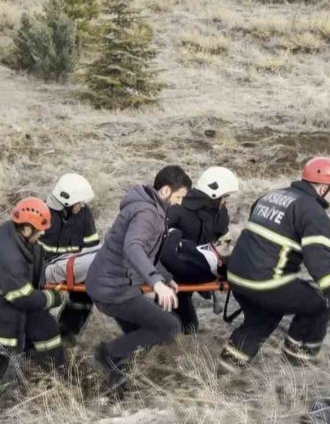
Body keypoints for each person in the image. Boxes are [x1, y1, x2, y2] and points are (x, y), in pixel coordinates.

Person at [218, 157, 330, 376]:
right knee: (321, 305)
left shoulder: (271, 196)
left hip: (238, 276)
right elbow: (321, 263)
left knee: (261, 320)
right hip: (266, 281)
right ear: (324, 187)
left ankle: (224, 373)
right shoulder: (313, 213)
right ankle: (299, 361)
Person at [86, 165, 192, 393]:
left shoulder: (149, 207)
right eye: (179, 197)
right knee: (170, 325)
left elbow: (147, 250)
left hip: (110, 284)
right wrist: (156, 283)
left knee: (144, 332)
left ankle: (116, 377)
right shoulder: (147, 213)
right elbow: (133, 247)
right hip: (113, 289)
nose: (180, 204)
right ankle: (108, 354)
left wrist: (166, 277)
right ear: (165, 191)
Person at [0, 198, 66, 407]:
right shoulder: (10, 257)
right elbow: (22, 296)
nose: (43, 233)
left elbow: (34, 260)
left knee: (46, 328)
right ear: (26, 229)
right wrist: (53, 298)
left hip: (2, 307)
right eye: (40, 229)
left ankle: (53, 370)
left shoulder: (10, 231)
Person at [161, 166, 239, 334]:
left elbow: (222, 246)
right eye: (225, 196)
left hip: (191, 275)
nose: (227, 201)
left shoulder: (221, 214)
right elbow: (154, 244)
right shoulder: (177, 208)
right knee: (183, 327)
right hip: (168, 279)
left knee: (188, 328)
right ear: (213, 194)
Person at [40, 173, 101, 342]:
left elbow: (91, 248)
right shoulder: (42, 214)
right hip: (44, 270)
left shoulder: (85, 214)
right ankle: (34, 339)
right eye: (79, 201)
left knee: (87, 292)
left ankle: (67, 332)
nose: (82, 205)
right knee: (36, 302)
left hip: (72, 267)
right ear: (66, 200)